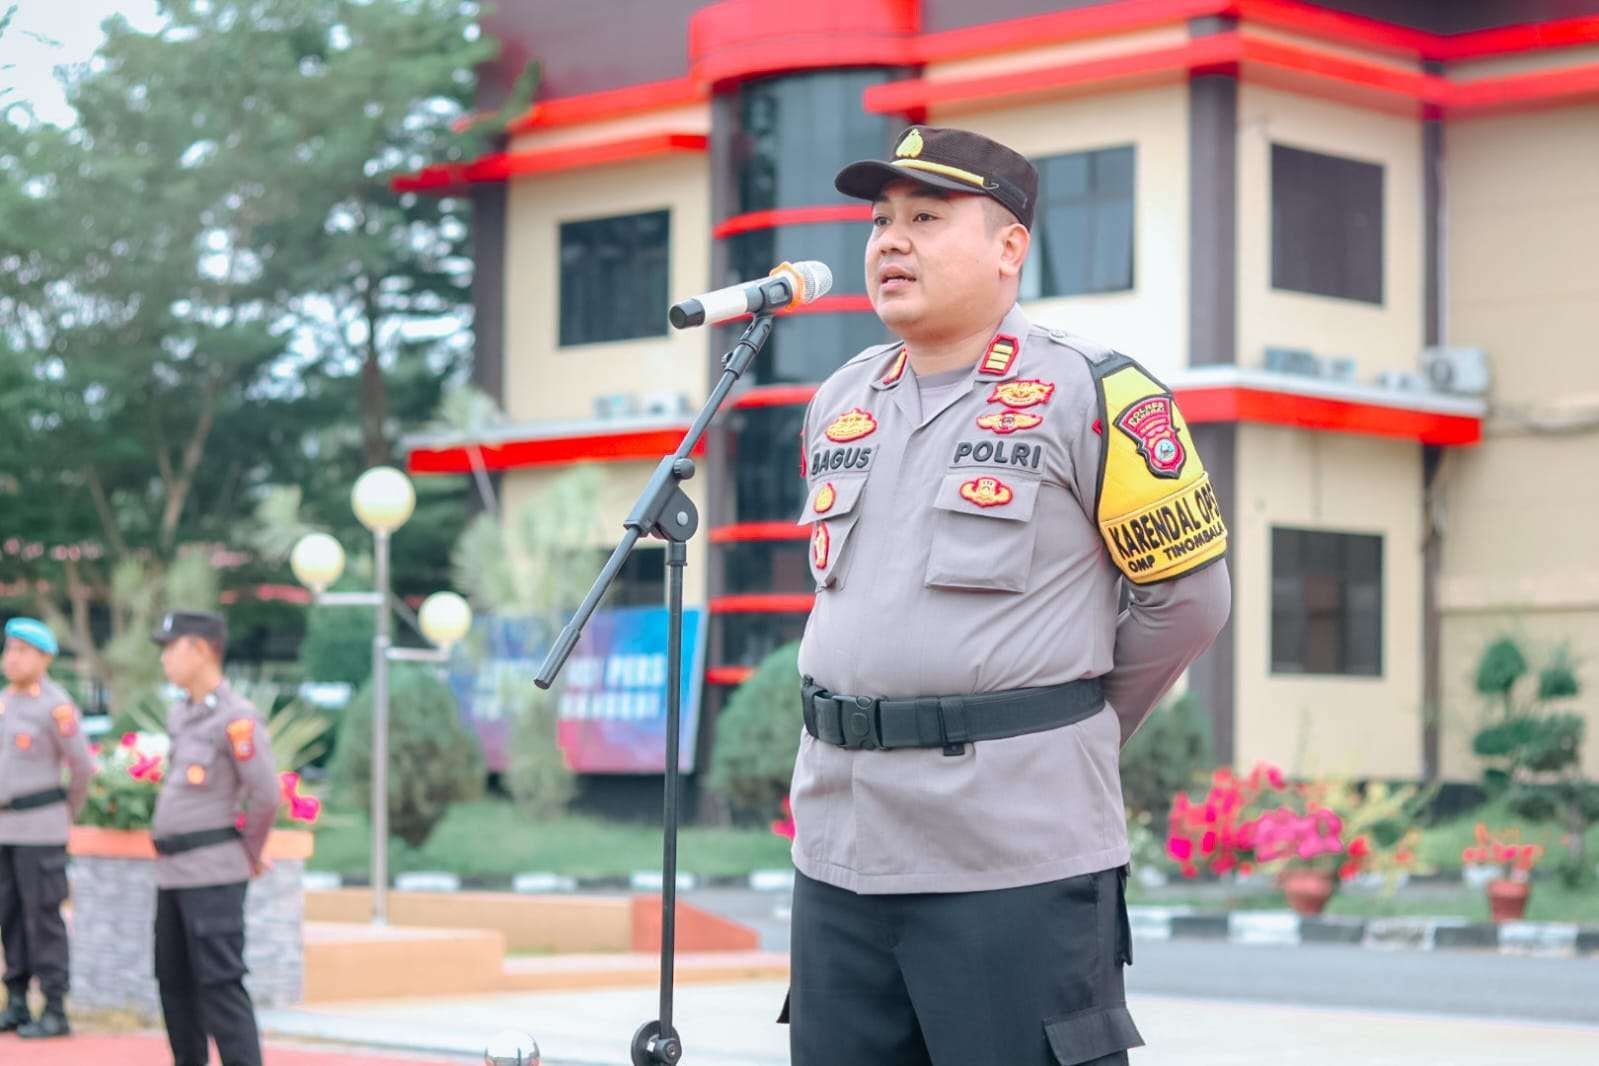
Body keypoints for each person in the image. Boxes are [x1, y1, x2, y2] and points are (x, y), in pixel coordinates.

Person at [781, 126, 1233, 1065]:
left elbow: (1187, 603)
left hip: (1010, 848)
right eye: (880, 221)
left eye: (925, 219)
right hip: (840, 844)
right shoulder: (839, 400)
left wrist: (1060, 731)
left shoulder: (1093, 392)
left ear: (1008, 247)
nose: (889, 241)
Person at [150, 610, 279, 1066]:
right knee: (174, 983)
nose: (164, 658)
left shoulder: (237, 718)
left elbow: (266, 795)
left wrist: (250, 852)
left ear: (201, 649)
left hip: (213, 873)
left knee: (220, 986)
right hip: (173, 873)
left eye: (171, 647)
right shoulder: (181, 714)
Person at [0, 617, 94, 1039]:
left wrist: (64, 813)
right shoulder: (4, 702)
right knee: (9, 917)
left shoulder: (56, 706)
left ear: (45, 658)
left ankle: (55, 1006)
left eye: (22, 651)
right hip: (4, 829)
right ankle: (17, 1001)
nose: (12, 658)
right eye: (9, 649)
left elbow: (82, 768)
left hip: (41, 830)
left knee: (43, 918)